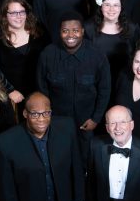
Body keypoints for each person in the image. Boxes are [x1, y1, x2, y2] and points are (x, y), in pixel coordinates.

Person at [37, 11, 111, 162]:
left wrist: (96, 119)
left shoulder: (97, 55)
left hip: (87, 122)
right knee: (60, 159)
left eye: (75, 30)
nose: (70, 35)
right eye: (65, 31)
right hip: (57, 121)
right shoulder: (48, 55)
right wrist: (48, 117)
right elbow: (41, 88)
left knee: (86, 160)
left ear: (83, 31)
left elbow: (105, 90)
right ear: (60, 32)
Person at [0, 0, 49, 105]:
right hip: (13, 94)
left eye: (22, 12)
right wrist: (10, 90)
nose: (18, 17)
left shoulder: (39, 30)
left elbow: (48, 58)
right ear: (5, 15)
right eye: (13, 13)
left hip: (39, 88)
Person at [84, 0, 140, 79]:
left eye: (116, 5)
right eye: (107, 5)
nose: (111, 9)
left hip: (124, 80)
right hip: (96, 79)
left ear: (121, 7)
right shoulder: (88, 28)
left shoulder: (132, 29)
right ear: (101, 6)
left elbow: (138, 58)